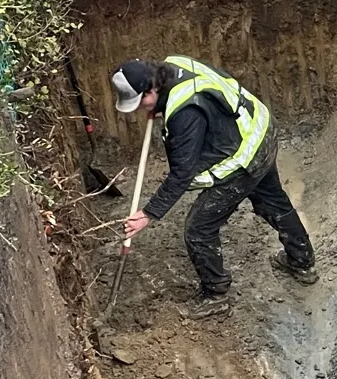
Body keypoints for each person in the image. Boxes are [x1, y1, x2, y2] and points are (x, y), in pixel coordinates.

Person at [111, 56, 318, 317]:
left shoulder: (185, 112)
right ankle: (302, 263)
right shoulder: (174, 65)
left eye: (141, 102)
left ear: (151, 88)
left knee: (198, 228)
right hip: (258, 129)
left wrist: (148, 214)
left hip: (245, 154)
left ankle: (216, 295)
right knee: (273, 201)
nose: (141, 109)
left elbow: (182, 174)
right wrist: (159, 105)